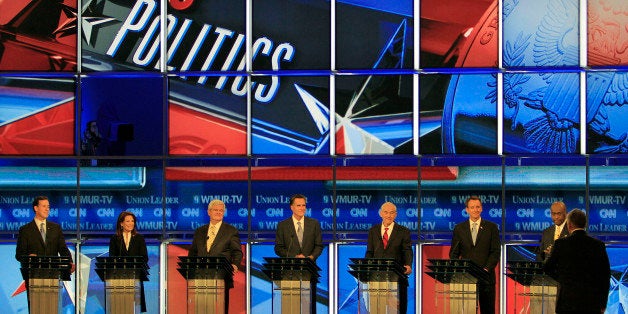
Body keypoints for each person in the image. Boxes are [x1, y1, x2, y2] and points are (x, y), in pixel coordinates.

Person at [544, 209, 611, 313]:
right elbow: (605, 276)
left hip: (567, 302)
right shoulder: (598, 245)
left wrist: (562, 278)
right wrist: (602, 303)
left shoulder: (560, 244)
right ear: (584, 224)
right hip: (591, 304)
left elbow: (547, 268)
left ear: (569, 225)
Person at [15, 196, 75, 309]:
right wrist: (28, 257)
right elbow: (19, 254)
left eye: (48, 207)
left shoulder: (55, 228)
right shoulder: (25, 230)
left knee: (51, 308)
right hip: (33, 277)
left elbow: (63, 250)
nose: (47, 209)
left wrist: (70, 263)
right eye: (44, 206)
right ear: (36, 208)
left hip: (52, 276)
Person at [189, 199, 242, 313]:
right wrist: (192, 270)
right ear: (209, 212)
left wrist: (235, 264)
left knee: (220, 309)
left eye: (221, 210)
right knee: (202, 309)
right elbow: (193, 252)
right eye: (215, 210)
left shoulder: (231, 231)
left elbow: (237, 252)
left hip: (222, 276)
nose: (218, 212)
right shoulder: (200, 231)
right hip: (201, 276)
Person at [449, 195, 500, 314]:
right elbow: (454, 252)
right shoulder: (459, 228)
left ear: (481, 208)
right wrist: (457, 270)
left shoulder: (491, 227)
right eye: (472, 207)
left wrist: (486, 268)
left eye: (478, 207)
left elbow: (495, 252)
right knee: (468, 310)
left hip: (486, 278)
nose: (475, 210)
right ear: (467, 210)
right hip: (467, 278)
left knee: (488, 310)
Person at [365, 202, 413, 314]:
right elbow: (369, 252)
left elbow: (407, 250)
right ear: (381, 213)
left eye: (392, 213)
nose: (388, 215)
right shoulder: (373, 231)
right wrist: (366, 269)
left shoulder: (403, 231)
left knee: (395, 309)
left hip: (396, 277)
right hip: (377, 278)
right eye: (386, 212)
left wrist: (409, 265)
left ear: (395, 215)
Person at [109, 211, 148, 312]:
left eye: (132, 221)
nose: (131, 223)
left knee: (134, 307)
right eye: (128, 221)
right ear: (121, 223)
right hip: (119, 278)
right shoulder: (115, 238)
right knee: (119, 307)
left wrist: (134, 264)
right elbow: (111, 258)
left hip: (135, 277)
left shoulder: (139, 238)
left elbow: (144, 257)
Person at [274, 194, 323, 260]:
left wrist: (311, 257)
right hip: (290, 267)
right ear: (292, 207)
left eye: (303, 205)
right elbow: (278, 248)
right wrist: (294, 256)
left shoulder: (314, 224)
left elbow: (319, 246)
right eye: (298, 205)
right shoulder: (282, 225)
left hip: (309, 267)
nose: (302, 208)